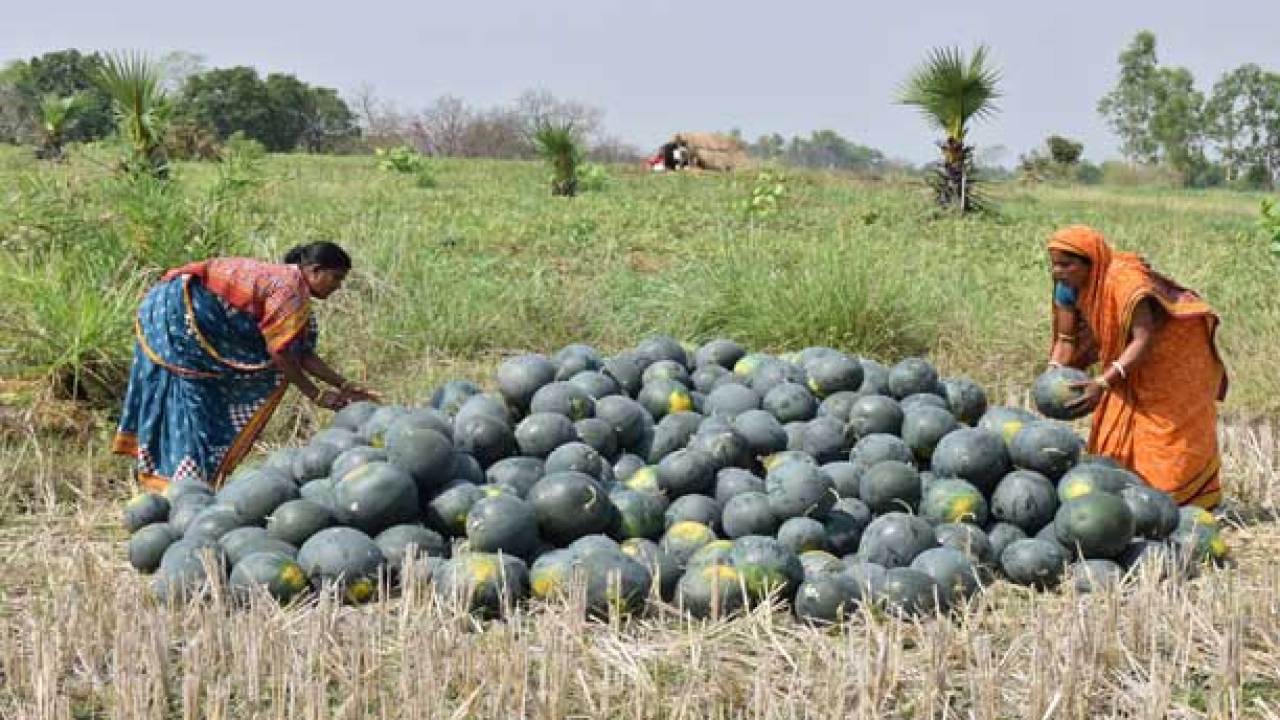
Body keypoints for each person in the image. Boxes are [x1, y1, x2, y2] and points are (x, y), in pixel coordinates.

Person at [112, 241, 379, 492]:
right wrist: (316, 394)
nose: (338, 287)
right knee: (192, 404)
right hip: (180, 316)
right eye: (336, 278)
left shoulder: (290, 287)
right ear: (315, 271)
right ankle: (181, 488)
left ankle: (184, 484)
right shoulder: (290, 291)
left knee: (197, 401)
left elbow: (301, 351)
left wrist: (343, 385)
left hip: (177, 308)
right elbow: (282, 353)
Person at [1046, 225, 1228, 509]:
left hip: (1174, 352)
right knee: (1116, 418)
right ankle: (1122, 500)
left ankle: (1174, 503)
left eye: (1066, 265)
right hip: (1129, 353)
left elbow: (1144, 338)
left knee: (1165, 429)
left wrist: (1103, 382)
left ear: (1091, 263)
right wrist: (1053, 372)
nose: (1058, 271)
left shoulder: (1124, 282)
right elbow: (1066, 339)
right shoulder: (1067, 287)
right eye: (1054, 265)